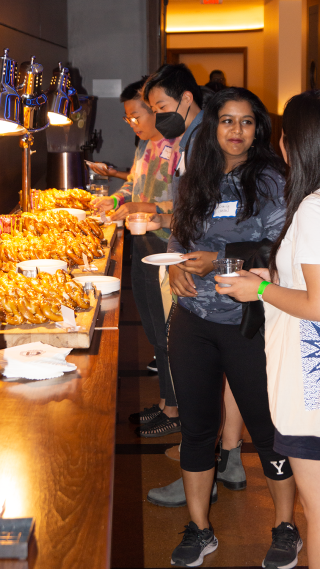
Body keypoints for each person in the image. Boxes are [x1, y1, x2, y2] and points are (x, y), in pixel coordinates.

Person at [163, 87, 300, 568]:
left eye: (245, 121)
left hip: (250, 322)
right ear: (213, 126)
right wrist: (176, 265)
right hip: (193, 319)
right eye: (226, 120)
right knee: (197, 429)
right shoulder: (197, 174)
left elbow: (280, 248)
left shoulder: (270, 178)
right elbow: (182, 235)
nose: (236, 130)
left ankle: (285, 525)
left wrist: (218, 260)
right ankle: (199, 530)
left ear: (258, 128)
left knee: (268, 430)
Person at [215, 89, 320, 569]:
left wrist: (258, 292)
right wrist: (272, 279)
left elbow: (317, 305)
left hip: (308, 384)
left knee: (317, 515)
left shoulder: (314, 209)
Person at [143, 64, 247, 504]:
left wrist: (181, 257)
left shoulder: (202, 141)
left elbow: (215, 219)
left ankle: (209, 466)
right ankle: (227, 459)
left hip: (219, 280)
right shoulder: (192, 139)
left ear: (188, 100)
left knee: (209, 380)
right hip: (216, 273)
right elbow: (191, 215)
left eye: (161, 107)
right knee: (226, 377)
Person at [93, 78, 181, 436]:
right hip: (142, 242)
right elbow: (132, 183)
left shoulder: (177, 146)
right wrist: (116, 201)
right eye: (127, 118)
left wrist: (137, 205)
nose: (132, 123)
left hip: (167, 245)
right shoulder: (145, 146)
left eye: (136, 115)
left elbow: (181, 206)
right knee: (152, 327)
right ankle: (165, 402)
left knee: (169, 328)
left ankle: (175, 408)